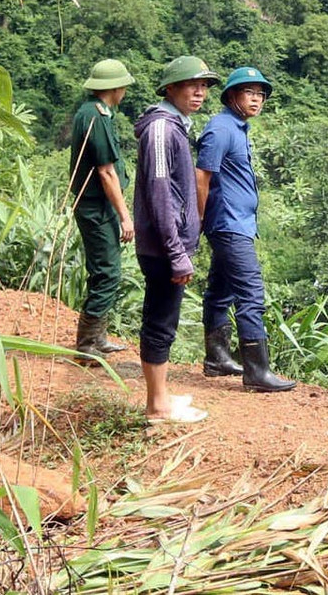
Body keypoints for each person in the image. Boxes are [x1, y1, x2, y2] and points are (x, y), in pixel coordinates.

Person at [132, 55, 220, 423]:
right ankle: (156, 406)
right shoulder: (161, 130)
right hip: (163, 247)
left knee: (163, 316)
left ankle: (162, 396)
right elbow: (160, 195)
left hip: (169, 245)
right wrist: (177, 252)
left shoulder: (174, 126)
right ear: (170, 88)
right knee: (160, 320)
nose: (199, 91)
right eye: (191, 84)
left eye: (204, 86)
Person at [196, 66, 295, 392]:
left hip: (237, 222)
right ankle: (256, 371)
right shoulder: (221, 129)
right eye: (249, 93)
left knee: (220, 290)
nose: (257, 99)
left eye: (260, 94)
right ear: (232, 96)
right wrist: (197, 222)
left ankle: (217, 358)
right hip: (228, 224)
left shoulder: (236, 128)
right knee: (251, 294)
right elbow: (202, 177)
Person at [68, 58, 136, 360]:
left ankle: (98, 338)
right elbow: (106, 172)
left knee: (102, 270)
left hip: (97, 205)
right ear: (115, 88)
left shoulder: (94, 113)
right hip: (96, 206)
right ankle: (87, 345)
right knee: (107, 272)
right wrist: (125, 217)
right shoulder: (97, 117)